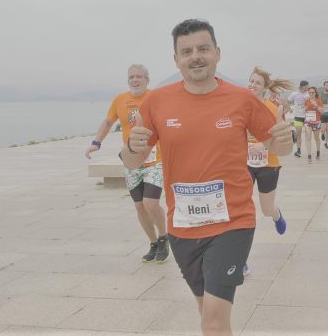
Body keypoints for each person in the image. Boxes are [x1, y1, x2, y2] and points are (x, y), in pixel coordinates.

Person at [123, 19, 293, 336]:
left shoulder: (242, 99)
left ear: (217, 52)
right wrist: (130, 147)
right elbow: (136, 160)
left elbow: (278, 147)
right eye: (186, 51)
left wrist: (286, 137)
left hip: (233, 222)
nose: (195, 56)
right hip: (183, 226)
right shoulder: (157, 101)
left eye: (203, 48)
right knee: (209, 316)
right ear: (176, 60)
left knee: (213, 321)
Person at [85, 64, 168, 264]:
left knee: (151, 204)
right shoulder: (120, 100)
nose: (135, 80)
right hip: (131, 161)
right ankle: (153, 243)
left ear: (147, 80)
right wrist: (96, 143)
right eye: (131, 77)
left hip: (154, 160)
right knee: (139, 207)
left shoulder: (156, 97)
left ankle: (164, 238)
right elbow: (107, 122)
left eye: (139, 76)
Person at [246, 67, 293, 235]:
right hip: (245, 164)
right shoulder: (240, 106)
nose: (253, 85)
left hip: (268, 163)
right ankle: (238, 253)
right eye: (251, 81)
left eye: (258, 83)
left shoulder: (273, 109)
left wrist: (262, 145)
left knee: (267, 209)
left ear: (265, 88)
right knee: (240, 205)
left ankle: (277, 216)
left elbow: (280, 136)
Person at [288, 81, 309, 158]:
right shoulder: (295, 94)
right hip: (298, 116)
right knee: (298, 133)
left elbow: (313, 102)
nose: (308, 87)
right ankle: (299, 150)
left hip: (307, 116)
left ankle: (308, 150)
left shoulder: (309, 94)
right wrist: (289, 108)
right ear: (304, 86)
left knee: (308, 133)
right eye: (307, 86)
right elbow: (287, 101)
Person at [303, 87, 325, 162]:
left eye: (313, 92)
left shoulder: (318, 101)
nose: (311, 94)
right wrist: (304, 110)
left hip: (316, 121)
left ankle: (318, 151)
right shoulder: (306, 101)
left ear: (315, 93)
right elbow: (306, 109)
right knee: (308, 137)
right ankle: (309, 155)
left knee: (316, 138)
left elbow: (322, 111)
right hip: (308, 121)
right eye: (310, 92)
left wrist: (316, 105)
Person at [319, 81, 328, 149]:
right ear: (324, 86)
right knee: (323, 128)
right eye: (327, 85)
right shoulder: (320, 95)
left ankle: (326, 142)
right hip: (322, 114)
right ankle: (322, 133)